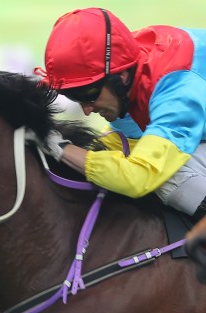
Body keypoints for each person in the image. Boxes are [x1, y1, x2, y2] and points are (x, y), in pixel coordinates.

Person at [33, 8, 206, 222]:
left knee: (167, 176)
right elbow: (122, 144)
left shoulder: (176, 92)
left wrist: (61, 149)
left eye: (89, 94)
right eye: (73, 96)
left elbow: (138, 177)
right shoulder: (123, 70)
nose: (87, 110)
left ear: (122, 76)